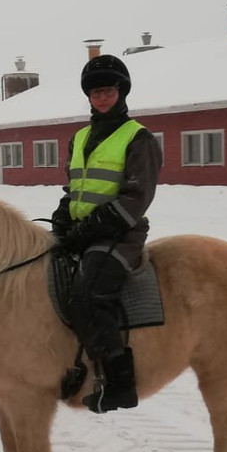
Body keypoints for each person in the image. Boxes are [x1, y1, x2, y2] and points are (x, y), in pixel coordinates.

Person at [51, 54, 163, 413]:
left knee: (87, 293)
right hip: (86, 230)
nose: (102, 97)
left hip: (121, 233)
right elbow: (77, 189)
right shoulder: (80, 136)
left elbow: (136, 197)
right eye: (96, 91)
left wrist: (90, 228)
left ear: (121, 92)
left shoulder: (138, 137)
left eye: (109, 90)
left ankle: (119, 383)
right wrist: (63, 215)